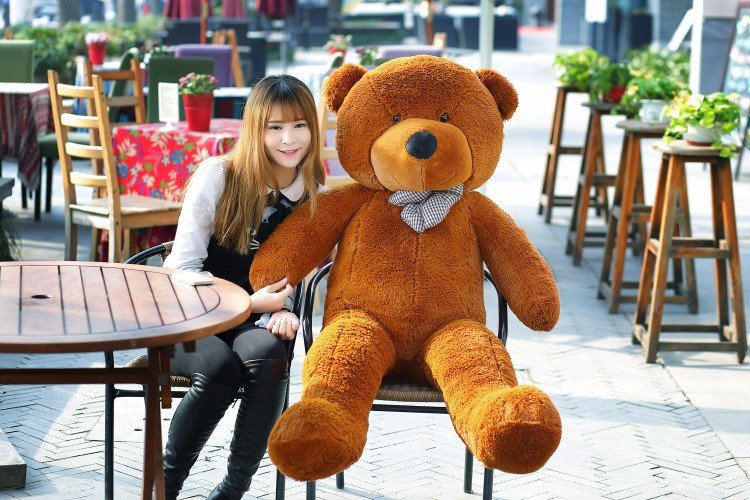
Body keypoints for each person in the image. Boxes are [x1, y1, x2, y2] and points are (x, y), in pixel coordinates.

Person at [162, 74, 325, 500]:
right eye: (275, 127)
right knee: (219, 369)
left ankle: (232, 491)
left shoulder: (311, 192)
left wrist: (284, 308)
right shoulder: (219, 175)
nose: (289, 139)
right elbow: (181, 269)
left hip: (254, 320)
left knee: (269, 356)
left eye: (299, 125)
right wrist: (250, 303)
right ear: (256, 128)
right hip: (191, 316)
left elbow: (294, 272)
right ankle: (164, 488)